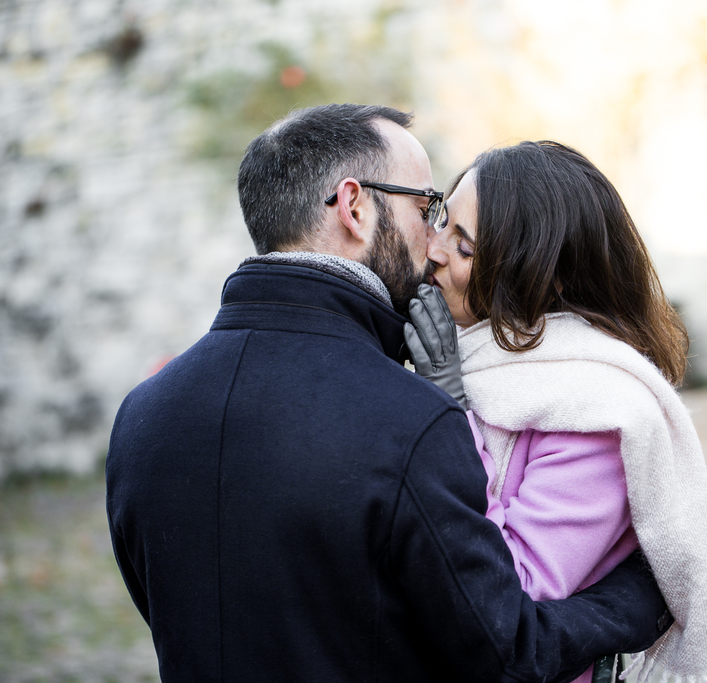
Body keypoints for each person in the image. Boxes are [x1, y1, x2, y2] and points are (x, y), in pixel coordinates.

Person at [105, 105, 673, 683]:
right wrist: (639, 599)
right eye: (427, 209)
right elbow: (504, 649)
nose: (433, 243)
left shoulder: (141, 418)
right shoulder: (411, 423)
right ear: (354, 207)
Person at [405, 140, 707, 683]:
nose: (434, 250)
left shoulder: (596, 411)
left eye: (465, 248)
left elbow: (509, 589)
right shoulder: (462, 352)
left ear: (540, 277)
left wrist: (449, 411)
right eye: (441, 220)